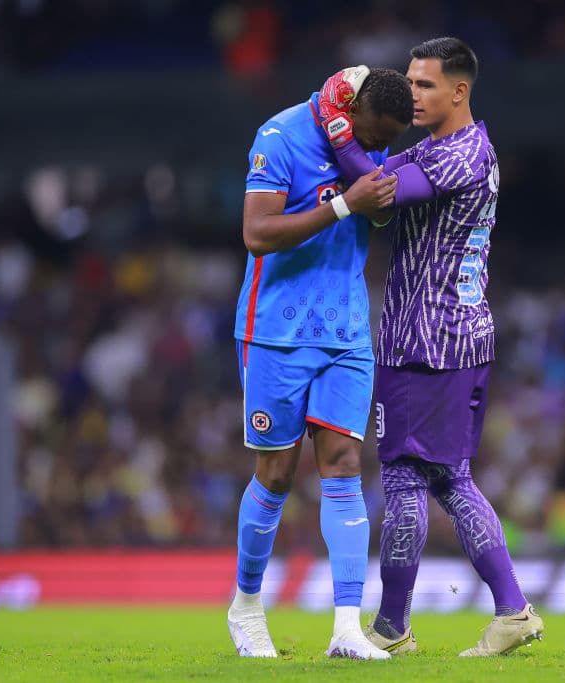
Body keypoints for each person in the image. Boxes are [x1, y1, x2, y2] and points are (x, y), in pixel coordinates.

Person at [316, 37, 544, 656]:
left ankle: (406, 626)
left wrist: (334, 127)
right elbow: (387, 201)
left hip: (428, 342)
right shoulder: (446, 148)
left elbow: (379, 192)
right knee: (442, 477)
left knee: (408, 480)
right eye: (410, 83)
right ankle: (499, 612)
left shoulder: (459, 154)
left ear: (459, 91)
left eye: (424, 85)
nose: (411, 94)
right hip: (450, 338)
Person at [227, 67, 412, 660]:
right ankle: (247, 606)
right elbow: (257, 234)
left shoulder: (368, 144)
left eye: (387, 142)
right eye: (373, 135)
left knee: (343, 466)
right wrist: (344, 207)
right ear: (352, 110)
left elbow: (380, 212)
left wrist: (373, 194)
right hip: (275, 333)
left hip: (347, 331)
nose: (376, 149)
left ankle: (346, 629)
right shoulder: (280, 137)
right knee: (277, 474)